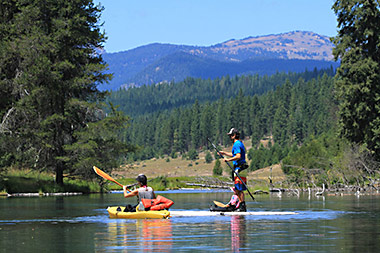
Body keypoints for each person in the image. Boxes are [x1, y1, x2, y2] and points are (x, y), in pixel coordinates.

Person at [219, 128, 248, 212]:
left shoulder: (237, 144)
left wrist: (228, 160)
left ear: (235, 135)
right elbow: (234, 154)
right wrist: (224, 153)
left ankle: (242, 207)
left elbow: (238, 156)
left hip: (240, 168)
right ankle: (241, 206)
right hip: (241, 168)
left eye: (231, 135)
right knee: (238, 188)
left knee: (239, 189)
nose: (230, 137)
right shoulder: (239, 143)